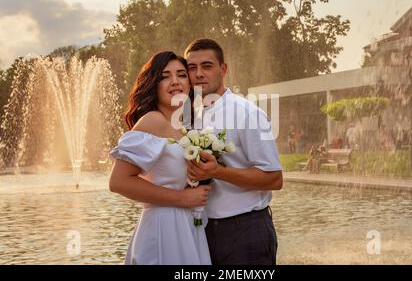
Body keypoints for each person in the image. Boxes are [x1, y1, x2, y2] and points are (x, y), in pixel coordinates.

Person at [184, 38, 283, 265]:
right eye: (192, 68)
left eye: (207, 66)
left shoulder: (247, 113)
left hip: (246, 231)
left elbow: (275, 178)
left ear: (223, 68)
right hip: (207, 230)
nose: (199, 74)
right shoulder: (195, 117)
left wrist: (218, 171)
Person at [108, 51, 211, 265]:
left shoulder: (185, 128)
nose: (175, 82)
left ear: (190, 85)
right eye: (165, 76)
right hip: (163, 227)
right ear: (153, 84)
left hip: (187, 226)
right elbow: (118, 182)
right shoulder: (152, 121)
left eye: (182, 75)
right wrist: (182, 198)